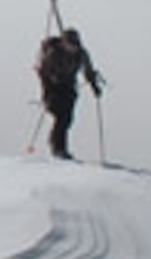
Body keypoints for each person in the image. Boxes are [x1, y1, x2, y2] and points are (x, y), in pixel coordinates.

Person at [35, 23, 103, 160]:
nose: (73, 48)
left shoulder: (81, 54)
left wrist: (94, 86)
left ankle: (59, 147)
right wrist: (51, 84)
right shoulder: (53, 53)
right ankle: (58, 148)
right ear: (63, 43)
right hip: (52, 87)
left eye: (75, 45)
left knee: (67, 118)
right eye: (70, 45)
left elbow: (88, 70)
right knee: (61, 115)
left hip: (68, 87)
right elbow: (43, 71)